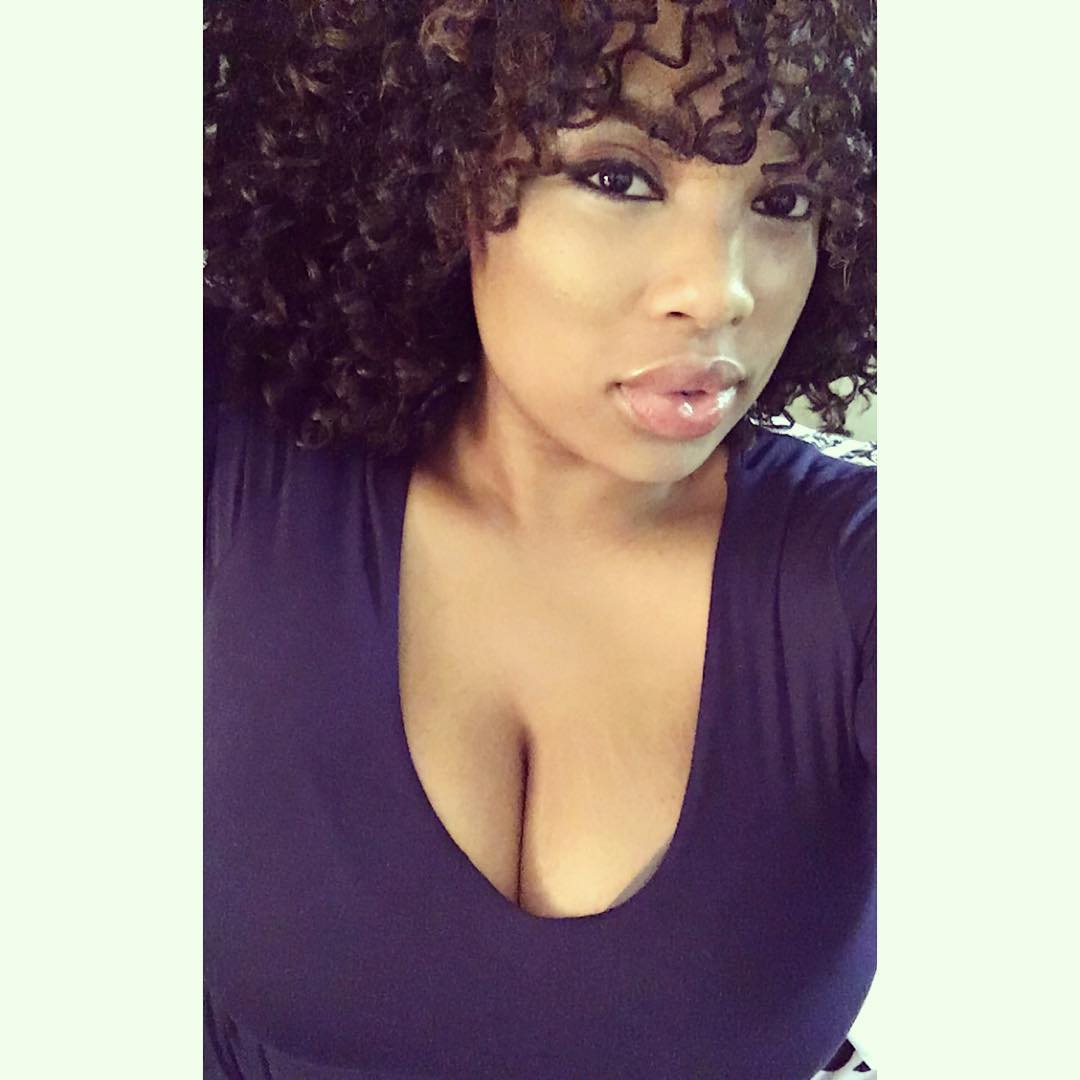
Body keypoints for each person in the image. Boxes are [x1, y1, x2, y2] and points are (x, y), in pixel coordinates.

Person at [203, 0, 877, 1076]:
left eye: (784, 200)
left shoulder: (858, 572)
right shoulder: (233, 464)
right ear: (444, 171)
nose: (722, 291)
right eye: (619, 178)